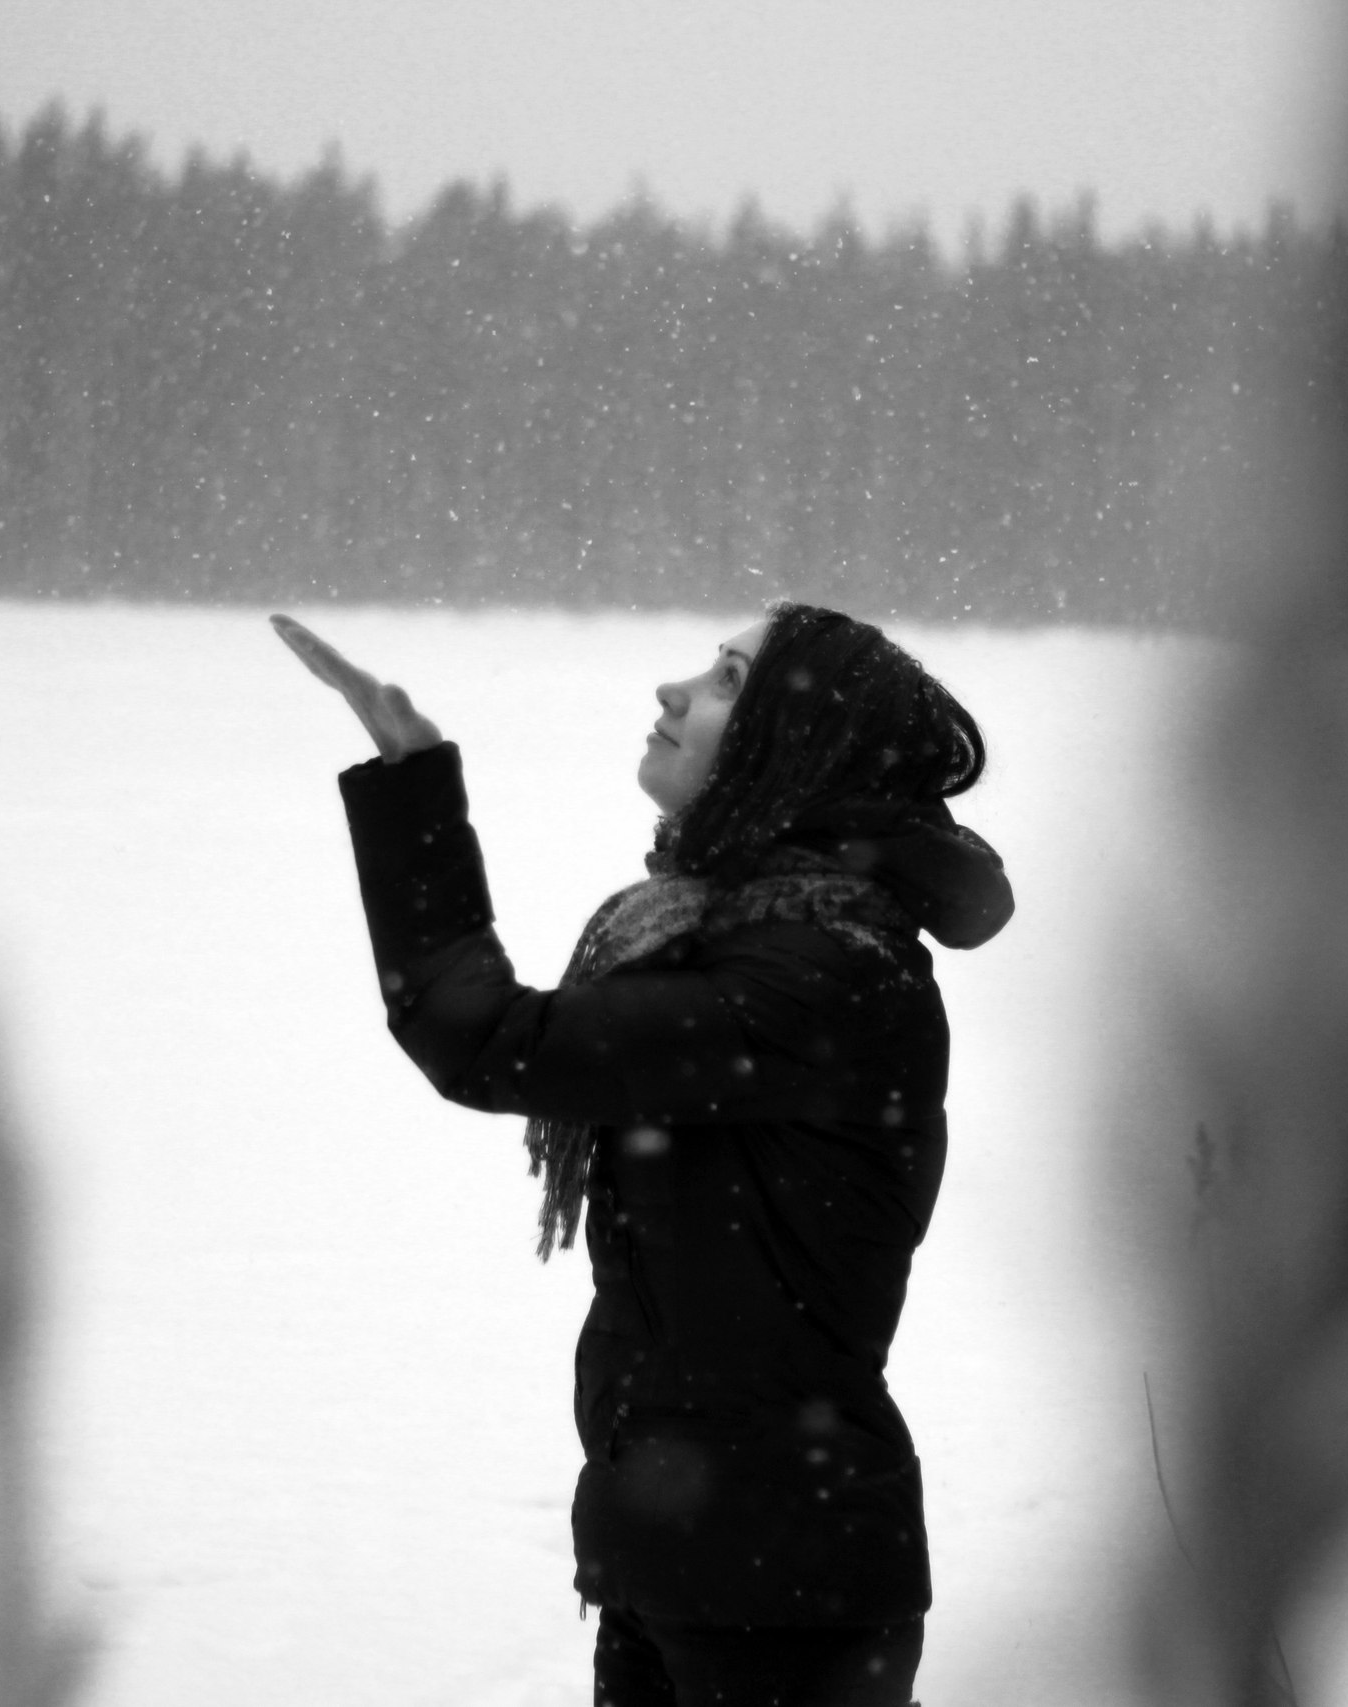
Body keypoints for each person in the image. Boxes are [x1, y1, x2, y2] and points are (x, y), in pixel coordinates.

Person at [273, 603, 1013, 1707]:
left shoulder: (822, 977)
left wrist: (412, 787)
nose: (676, 690)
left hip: (779, 1592)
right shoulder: (740, 937)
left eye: (727, 682)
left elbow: (483, 1039)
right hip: (687, 1563)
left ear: (796, 748)